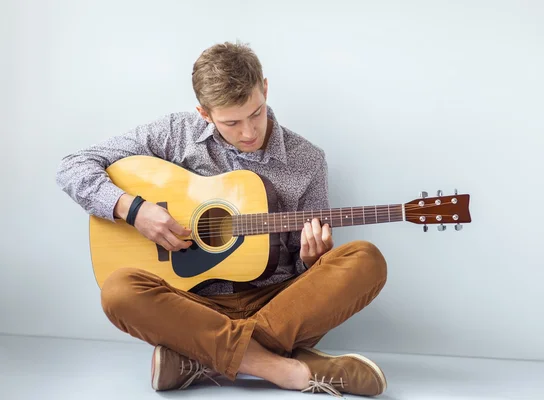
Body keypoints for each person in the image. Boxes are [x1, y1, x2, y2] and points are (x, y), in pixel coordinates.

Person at [56, 41, 388, 397]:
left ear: (265, 88)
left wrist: (312, 259)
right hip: (193, 305)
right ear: (204, 112)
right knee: (119, 290)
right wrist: (133, 210)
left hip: (275, 303)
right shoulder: (174, 133)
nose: (249, 132)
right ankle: (278, 367)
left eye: (256, 113)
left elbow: (309, 272)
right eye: (231, 122)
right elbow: (73, 166)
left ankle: (202, 360)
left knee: (365, 260)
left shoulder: (307, 160)